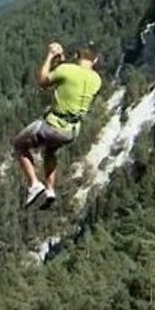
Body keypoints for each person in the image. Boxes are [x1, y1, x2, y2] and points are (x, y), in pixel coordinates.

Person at [12, 41, 102, 207]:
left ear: (76, 56)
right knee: (50, 151)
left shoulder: (67, 70)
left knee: (19, 145)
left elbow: (43, 81)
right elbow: (71, 79)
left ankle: (34, 184)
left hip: (53, 126)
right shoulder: (96, 80)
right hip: (71, 131)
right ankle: (50, 189)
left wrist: (51, 56)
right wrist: (61, 62)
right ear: (95, 60)